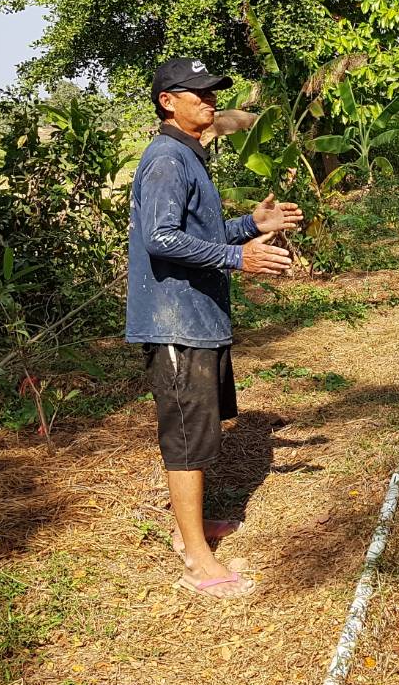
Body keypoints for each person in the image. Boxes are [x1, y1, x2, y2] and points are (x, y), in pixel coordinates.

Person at [127, 55, 303, 598]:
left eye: (212, 93)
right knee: (185, 438)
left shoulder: (189, 155)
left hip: (197, 317)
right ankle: (196, 560)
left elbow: (194, 229)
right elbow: (161, 238)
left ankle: (195, 527)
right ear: (167, 101)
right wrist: (237, 258)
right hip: (174, 320)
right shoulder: (166, 158)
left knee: (199, 432)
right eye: (197, 93)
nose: (209, 100)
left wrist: (253, 225)